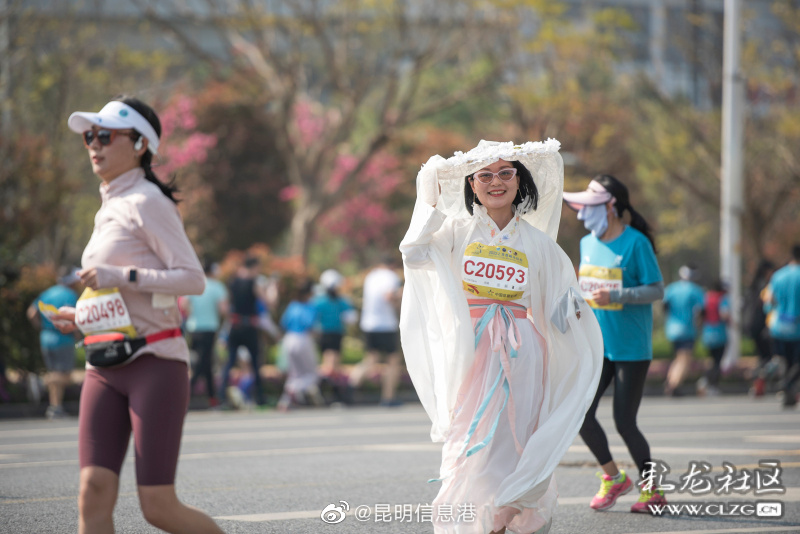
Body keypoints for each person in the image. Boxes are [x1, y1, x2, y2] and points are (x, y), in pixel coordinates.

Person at [400, 140, 603, 534]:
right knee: (467, 438)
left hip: (523, 352)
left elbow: (561, 304)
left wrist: (577, 311)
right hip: (471, 352)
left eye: (506, 173)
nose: (496, 182)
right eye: (485, 175)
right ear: (472, 185)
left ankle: (506, 513)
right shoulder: (455, 232)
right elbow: (414, 254)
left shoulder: (538, 243)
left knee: (516, 438)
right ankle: (472, 521)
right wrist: (428, 199)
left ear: (519, 181)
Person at [52, 96, 223, 533]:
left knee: (158, 507)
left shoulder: (148, 202)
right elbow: (116, 295)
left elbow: (191, 279)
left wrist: (119, 274)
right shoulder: (108, 205)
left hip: (154, 364)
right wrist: (82, 316)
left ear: (141, 144)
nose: (94, 144)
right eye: (90, 136)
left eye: (105, 135)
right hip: (103, 364)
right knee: (92, 492)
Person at [563, 174, 666, 513]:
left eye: (590, 206)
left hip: (631, 349)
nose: (582, 214)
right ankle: (613, 477)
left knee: (624, 422)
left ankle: (652, 491)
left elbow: (655, 289)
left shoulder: (637, 243)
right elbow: (583, 289)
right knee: (580, 413)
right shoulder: (586, 243)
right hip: (598, 346)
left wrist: (616, 295)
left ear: (611, 206)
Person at [27, 266, 81, 419]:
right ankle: (41, 382)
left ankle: (55, 408)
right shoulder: (70, 295)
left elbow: (31, 313)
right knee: (66, 376)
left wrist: (42, 328)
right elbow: (73, 318)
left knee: (56, 374)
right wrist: (77, 335)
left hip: (46, 337)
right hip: (63, 338)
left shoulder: (48, 292)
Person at [350, 257, 404, 406]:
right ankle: (388, 397)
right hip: (386, 324)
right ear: (392, 265)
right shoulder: (391, 277)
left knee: (371, 359)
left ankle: (350, 386)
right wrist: (400, 297)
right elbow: (388, 296)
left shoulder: (371, 276)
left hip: (369, 324)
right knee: (393, 361)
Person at [220, 255, 266, 406]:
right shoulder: (254, 283)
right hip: (250, 326)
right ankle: (260, 397)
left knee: (230, 362)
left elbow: (226, 306)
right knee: (255, 362)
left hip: (235, 325)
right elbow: (266, 302)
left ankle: (221, 396)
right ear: (254, 267)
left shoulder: (233, 282)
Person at [185, 261, 229, 407]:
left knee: (204, 362)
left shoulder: (194, 284)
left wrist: (193, 314)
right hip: (209, 328)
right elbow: (223, 309)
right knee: (202, 363)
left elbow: (184, 304)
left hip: (193, 328)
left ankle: (212, 396)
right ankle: (187, 394)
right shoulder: (217, 287)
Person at [278, 279, 324, 411]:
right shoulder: (310, 306)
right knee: (311, 375)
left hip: (288, 339)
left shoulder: (292, 305)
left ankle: (285, 401)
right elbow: (310, 325)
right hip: (303, 339)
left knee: (294, 374)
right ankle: (294, 391)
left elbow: (283, 323)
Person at [763, 244, 800, 409]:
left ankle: (788, 395)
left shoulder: (778, 275)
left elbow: (768, 299)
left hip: (779, 325)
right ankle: (787, 384)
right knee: (796, 362)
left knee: (784, 360)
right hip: (797, 326)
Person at [313, 269, 357, 403]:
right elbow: (352, 318)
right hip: (334, 334)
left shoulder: (318, 301)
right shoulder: (341, 301)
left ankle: (330, 393)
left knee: (332, 364)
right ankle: (323, 390)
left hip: (325, 335)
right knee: (331, 364)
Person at [662, 264, 706, 397]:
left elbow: (664, 306)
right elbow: (702, 311)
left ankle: (670, 381)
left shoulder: (671, 288)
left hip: (672, 329)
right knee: (685, 359)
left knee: (678, 358)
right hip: (687, 329)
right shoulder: (696, 291)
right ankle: (674, 385)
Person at [744, 259, 776, 396]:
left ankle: (757, 383)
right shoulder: (766, 286)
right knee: (767, 357)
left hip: (751, 325)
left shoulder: (753, 286)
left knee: (763, 356)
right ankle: (758, 382)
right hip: (762, 325)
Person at [697, 280, 730, 396]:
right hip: (720, 334)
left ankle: (705, 381)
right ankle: (711, 384)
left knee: (712, 360)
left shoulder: (706, 297)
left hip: (707, 334)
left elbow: (699, 313)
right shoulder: (722, 299)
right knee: (717, 362)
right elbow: (724, 314)